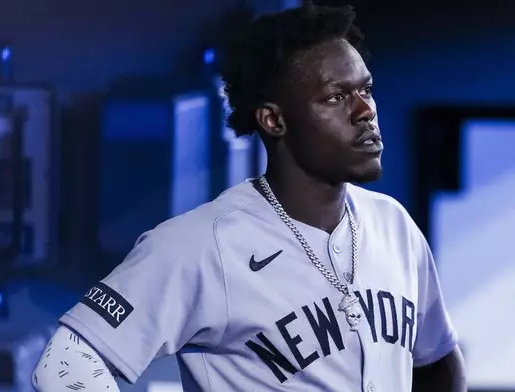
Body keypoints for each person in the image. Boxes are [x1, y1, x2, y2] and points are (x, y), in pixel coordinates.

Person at [32, 2, 467, 391]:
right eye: (336, 97)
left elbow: (436, 363)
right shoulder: (203, 244)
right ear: (273, 121)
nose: (365, 111)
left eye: (365, 90)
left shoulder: (394, 225)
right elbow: (65, 362)